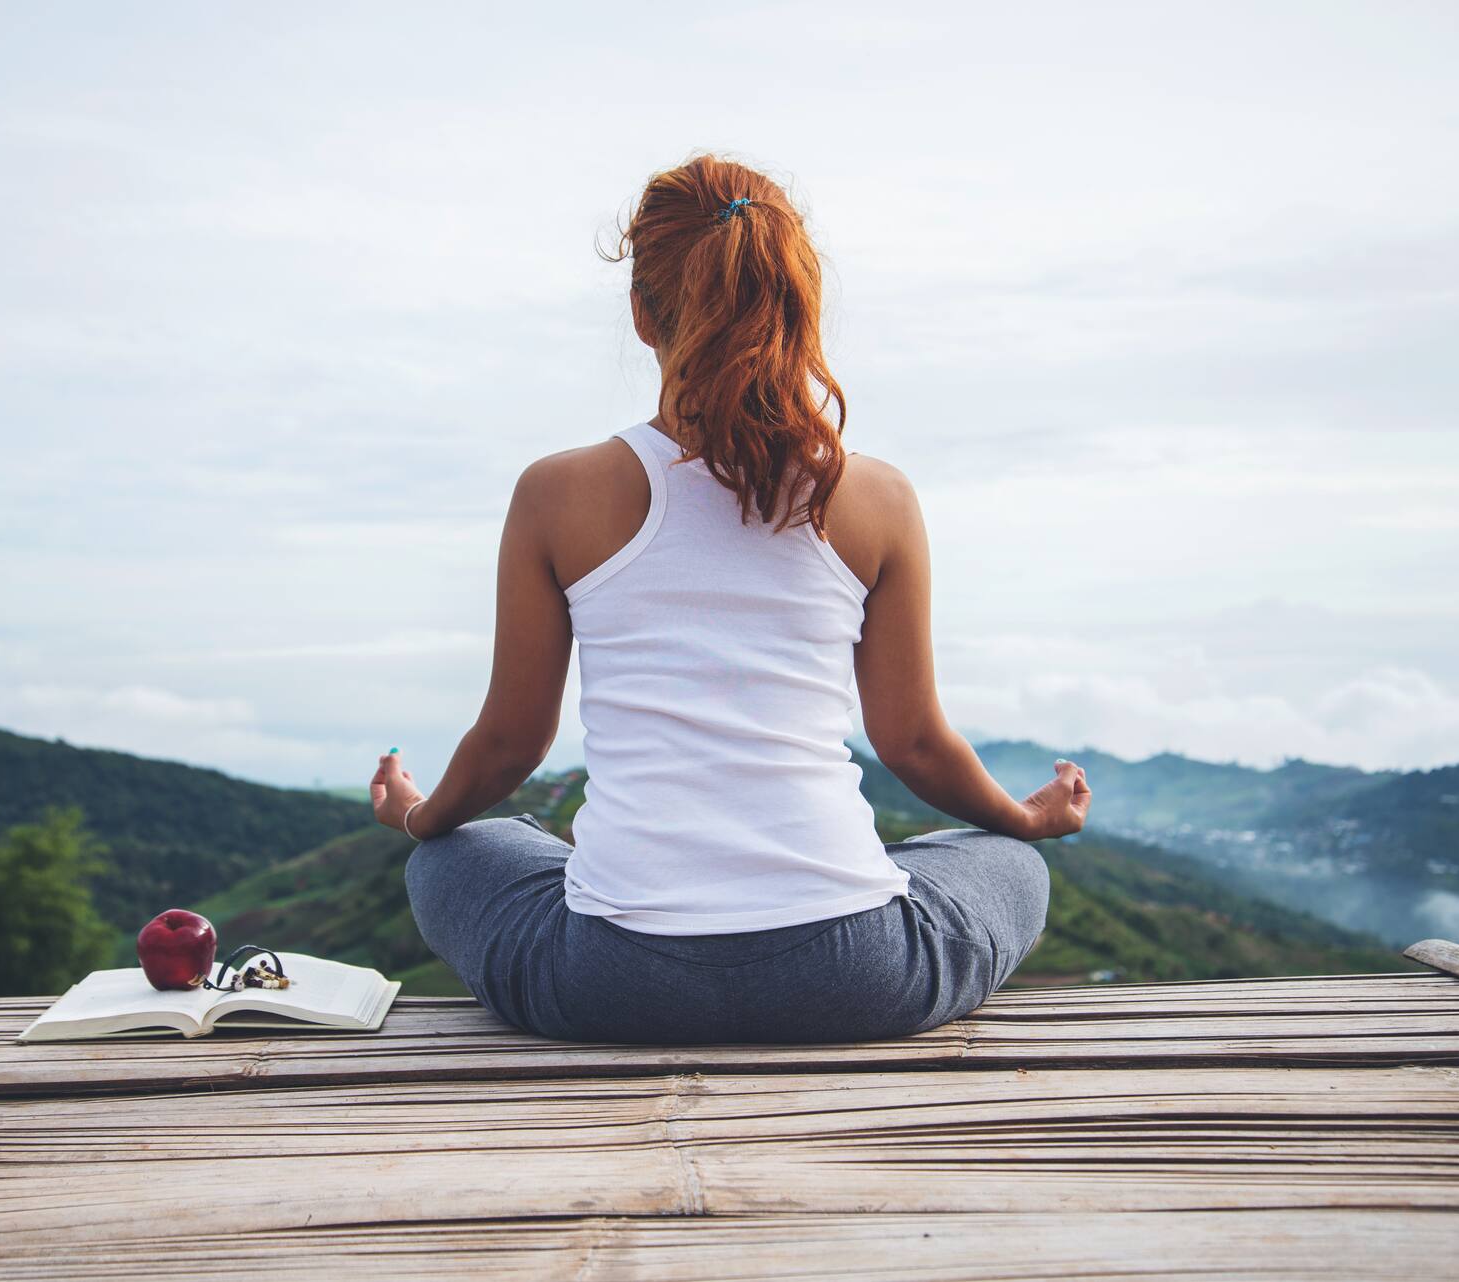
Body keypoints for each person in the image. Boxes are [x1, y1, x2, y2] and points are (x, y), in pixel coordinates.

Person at [369, 154, 1091, 1044]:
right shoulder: (878, 499)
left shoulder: (557, 494)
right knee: (1006, 861)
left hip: (612, 985)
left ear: (643, 313)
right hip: (856, 977)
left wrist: (416, 814)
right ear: (797, 303)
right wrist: (1025, 818)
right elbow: (912, 742)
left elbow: (514, 743)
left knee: (457, 852)